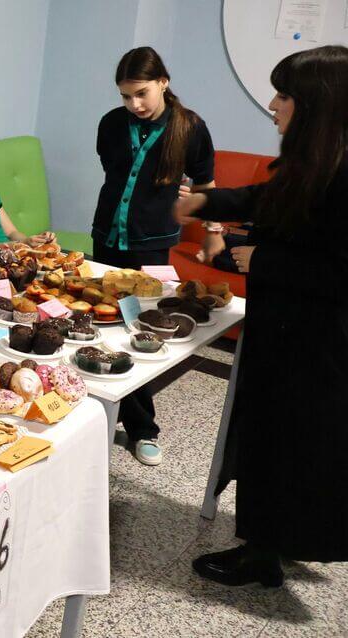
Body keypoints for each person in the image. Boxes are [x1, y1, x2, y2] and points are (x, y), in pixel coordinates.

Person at [174, 45, 348, 586]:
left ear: (314, 101)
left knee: (290, 449)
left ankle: (262, 558)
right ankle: (269, 543)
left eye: (284, 95)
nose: (273, 105)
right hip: (289, 329)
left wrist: (264, 260)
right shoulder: (325, 150)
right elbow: (273, 197)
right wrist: (207, 203)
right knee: (275, 442)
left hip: (319, 345)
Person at [92, 46, 216, 466]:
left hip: (151, 244)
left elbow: (206, 186)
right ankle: (94, 409)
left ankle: (143, 428)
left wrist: (203, 215)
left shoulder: (191, 128)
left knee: (142, 332)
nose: (134, 104)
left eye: (141, 93)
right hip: (107, 237)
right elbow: (113, 173)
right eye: (126, 96)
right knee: (101, 324)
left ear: (163, 82)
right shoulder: (112, 123)